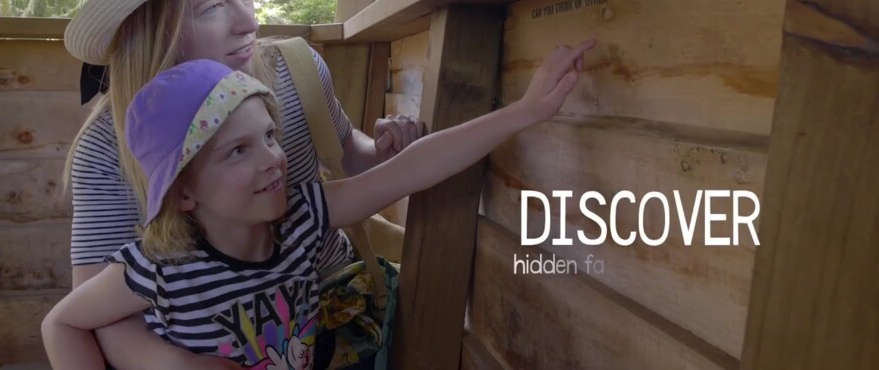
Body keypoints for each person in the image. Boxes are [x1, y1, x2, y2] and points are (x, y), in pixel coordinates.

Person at [43, 38, 595, 370]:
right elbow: (62, 326)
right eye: (239, 150)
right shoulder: (161, 268)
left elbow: (413, 168)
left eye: (270, 137)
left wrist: (523, 113)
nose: (273, 160)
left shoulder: (305, 215)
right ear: (183, 192)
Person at [63, 0, 423, 369]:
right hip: (200, 343)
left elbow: (351, 158)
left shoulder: (295, 71)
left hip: (334, 322)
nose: (250, 22)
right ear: (154, 33)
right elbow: (96, 311)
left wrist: (387, 147)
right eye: (213, 8)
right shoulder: (105, 147)